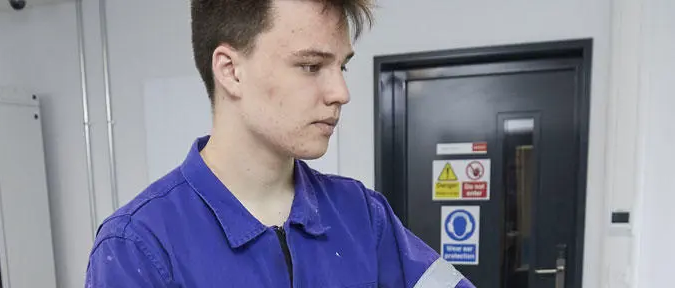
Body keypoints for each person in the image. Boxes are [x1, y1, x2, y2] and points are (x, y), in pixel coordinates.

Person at [85, 0, 473, 287]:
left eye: (341, 66)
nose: (341, 92)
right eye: (310, 66)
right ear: (230, 71)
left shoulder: (362, 216)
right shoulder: (138, 246)